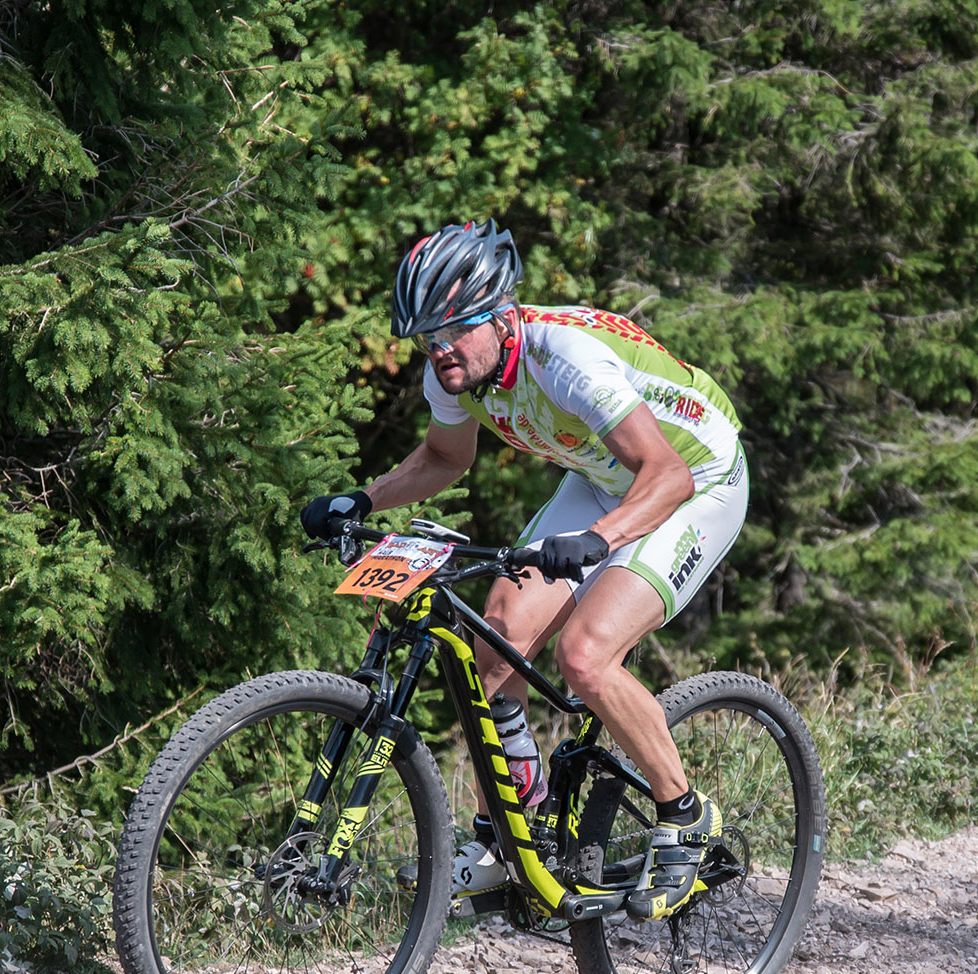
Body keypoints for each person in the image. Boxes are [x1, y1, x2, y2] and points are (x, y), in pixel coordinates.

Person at [300, 220, 749, 923]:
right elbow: (445, 457)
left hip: (696, 476)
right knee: (495, 644)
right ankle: (507, 833)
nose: (440, 349)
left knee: (585, 654)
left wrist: (599, 540)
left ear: (498, 313)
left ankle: (685, 814)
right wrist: (363, 499)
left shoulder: (564, 359)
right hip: (605, 478)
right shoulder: (457, 370)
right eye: (427, 336)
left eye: (455, 329)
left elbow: (665, 475)